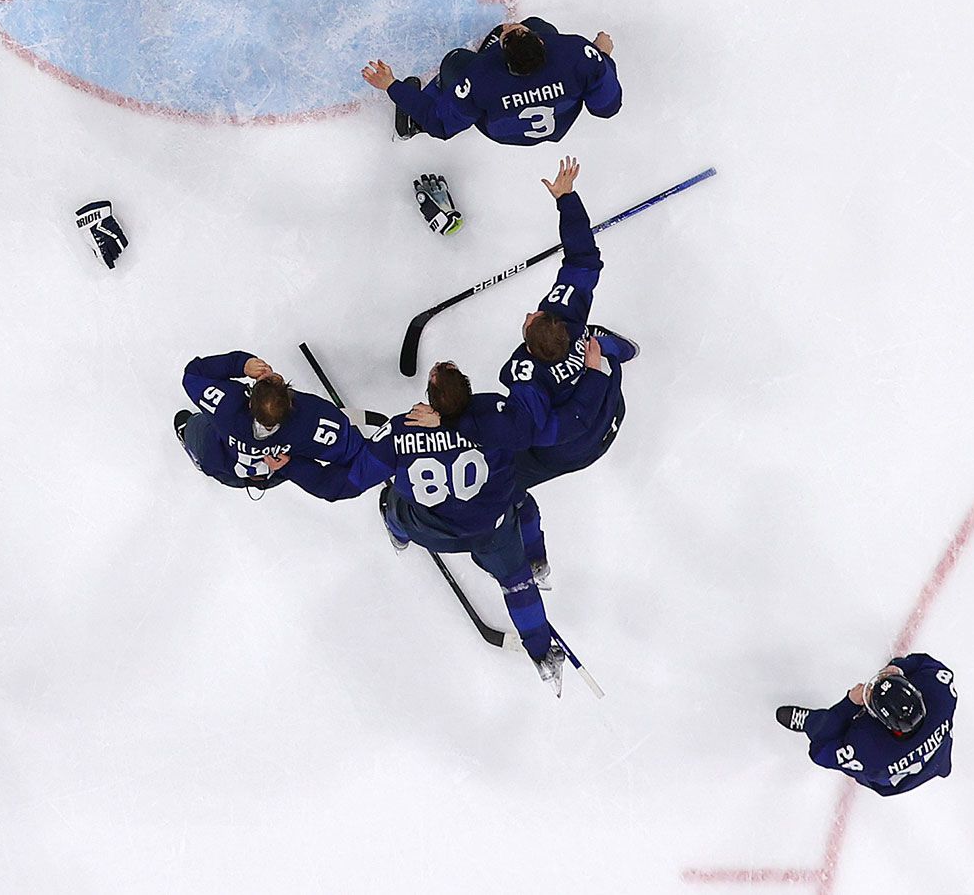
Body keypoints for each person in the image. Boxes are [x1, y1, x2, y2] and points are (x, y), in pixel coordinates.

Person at [373, 362, 577, 689]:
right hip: (492, 528)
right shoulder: (493, 413)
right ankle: (541, 650)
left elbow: (359, 473)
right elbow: (522, 430)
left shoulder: (405, 428)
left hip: (433, 529)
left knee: (393, 502)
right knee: (518, 574)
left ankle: (399, 538)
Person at [497, 159, 641, 487]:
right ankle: (614, 348)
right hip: (612, 410)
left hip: (573, 449)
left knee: (504, 471)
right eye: (535, 317)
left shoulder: (526, 373)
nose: (529, 315)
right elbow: (583, 259)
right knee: (593, 342)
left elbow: (545, 429)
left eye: (529, 321)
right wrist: (567, 199)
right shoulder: (568, 316)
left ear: (530, 350)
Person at [363, 16, 621, 145]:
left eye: (507, 35)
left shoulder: (480, 78)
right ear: (540, 42)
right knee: (537, 22)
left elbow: (441, 125)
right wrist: (602, 57)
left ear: (504, 60)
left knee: (455, 62)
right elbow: (606, 107)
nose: (508, 26)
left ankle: (411, 123)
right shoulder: (578, 54)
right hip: (557, 124)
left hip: (501, 128)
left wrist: (392, 86)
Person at [173, 352, 365, 494]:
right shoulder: (311, 420)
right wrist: (293, 466)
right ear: (290, 402)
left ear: (249, 402)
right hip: (273, 474)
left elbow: (194, 374)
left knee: (198, 428)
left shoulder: (227, 406)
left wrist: (242, 364)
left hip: (223, 464)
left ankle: (189, 438)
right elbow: (356, 459)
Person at [778, 656, 957, 796]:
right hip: (936, 755)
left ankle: (811, 722)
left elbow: (821, 752)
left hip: (888, 775)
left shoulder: (868, 750)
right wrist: (898, 668)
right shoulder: (941, 694)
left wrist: (849, 704)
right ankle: (941, 766)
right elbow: (927, 664)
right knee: (939, 760)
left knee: (828, 729)